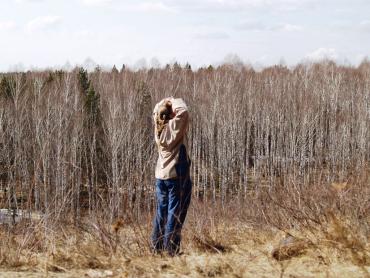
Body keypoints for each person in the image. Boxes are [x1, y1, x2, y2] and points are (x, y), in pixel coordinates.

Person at [151, 97, 192, 256]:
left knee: (161, 212)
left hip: (161, 177)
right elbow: (184, 111)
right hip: (175, 176)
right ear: (170, 115)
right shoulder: (173, 127)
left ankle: (156, 247)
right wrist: (173, 99)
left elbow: (156, 111)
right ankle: (171, 250)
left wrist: (164, 103)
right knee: (173, 214)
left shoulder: (158, 128)